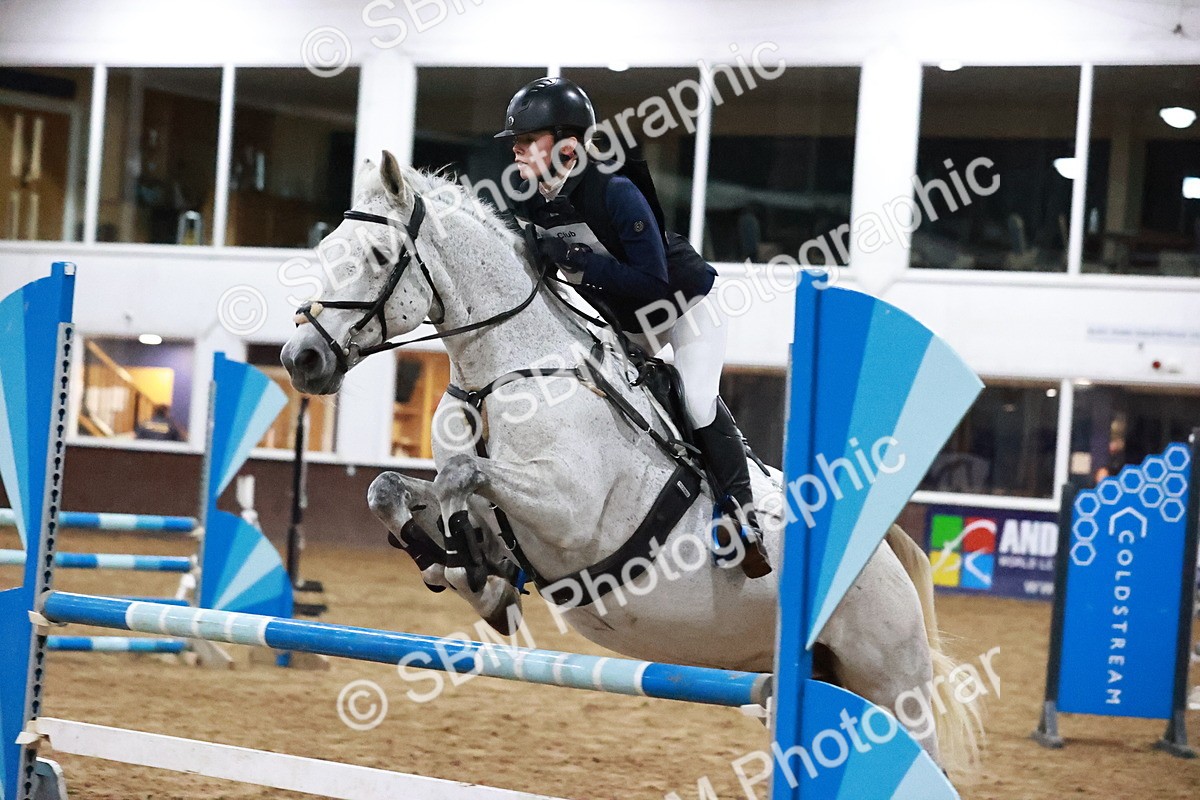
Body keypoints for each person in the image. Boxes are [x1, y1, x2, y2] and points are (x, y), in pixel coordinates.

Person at [495, 77, 771, 578]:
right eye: (516, 143)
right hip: (625, 322)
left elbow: (651, 282)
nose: (517, 150)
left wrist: (578, 259)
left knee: (695, 402)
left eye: (527, 140)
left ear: (567, 145)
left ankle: (742, 517)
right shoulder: (533, 200)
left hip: (682, 307)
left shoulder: (617, 191)